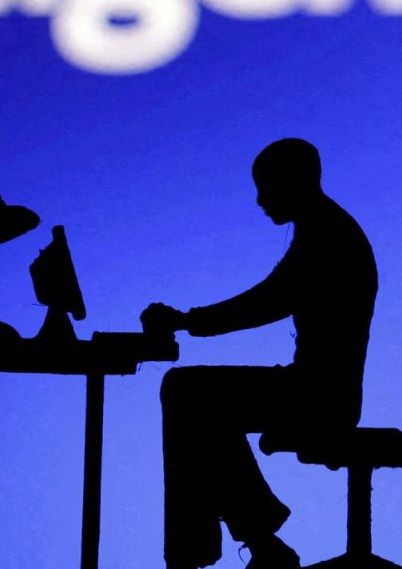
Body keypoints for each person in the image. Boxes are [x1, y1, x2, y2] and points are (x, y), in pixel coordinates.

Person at [143, 137, 378, 569]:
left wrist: (187, 320)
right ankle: (247, 541)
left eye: (266, 187)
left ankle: (240, 544)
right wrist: (188, 321)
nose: (260, 200)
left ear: (294, 182)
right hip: (316, 389)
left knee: (185, 391)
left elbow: (267, 301)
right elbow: (274, 297)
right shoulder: (324, 229)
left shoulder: (327, 235)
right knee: (193, 398)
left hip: (321, 397)